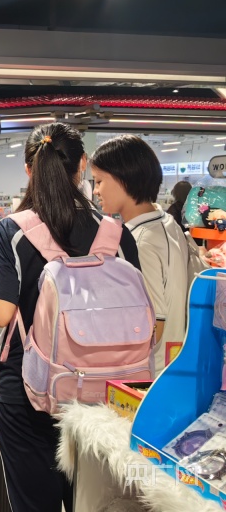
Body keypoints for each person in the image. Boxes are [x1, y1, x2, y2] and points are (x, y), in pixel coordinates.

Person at [0, 123, 141, 512]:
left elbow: (1, 314)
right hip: (102, 392)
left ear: (28, 169)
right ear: (82, 164)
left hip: (29, 388)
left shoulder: (12, 230)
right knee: (92, 502)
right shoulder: (116, 234)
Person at [91, 135, 188, 372]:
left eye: (99, 181)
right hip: (170, 365)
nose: (95, 191)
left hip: (146, 374)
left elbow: (153, 326)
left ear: (124, 179)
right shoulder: (167, 223)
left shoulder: (140, 241)